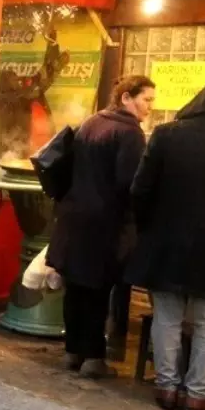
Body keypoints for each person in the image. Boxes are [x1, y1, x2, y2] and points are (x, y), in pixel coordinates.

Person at [46, 74, 153, 378]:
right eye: (146, 99)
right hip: (105, 224)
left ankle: (72, 352)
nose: (150, 107)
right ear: (126, 97)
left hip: (74, 218)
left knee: (75, 288)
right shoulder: (130, 133)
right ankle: (93, 358)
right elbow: (128, 184)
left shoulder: (92, 122)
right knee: (97, 290)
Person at [126, 79, 205, 410]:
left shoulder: (166, 135)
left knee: (167, 316)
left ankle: (166, 387)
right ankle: (197, 395)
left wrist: (150, 228)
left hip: (165, 242)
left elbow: (139, 190)